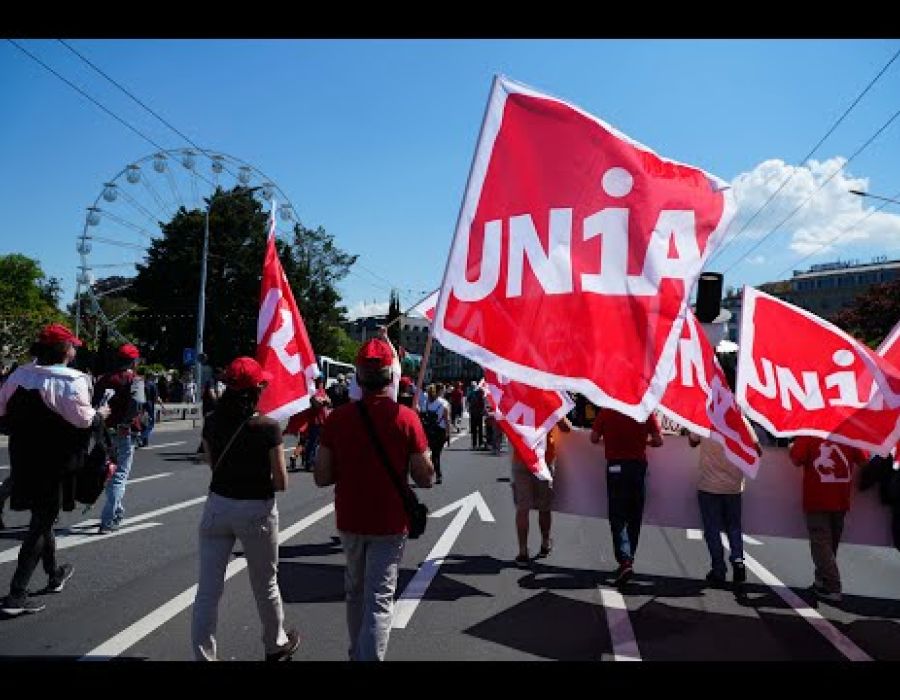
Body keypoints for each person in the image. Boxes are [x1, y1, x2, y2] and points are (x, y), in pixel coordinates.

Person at [314, 338, 434, 661]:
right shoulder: (406, 418)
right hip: (390, 521)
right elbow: (426, 477)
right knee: (379, 598)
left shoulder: (337, 419)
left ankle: (358, 652)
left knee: (355, 591)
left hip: (350, 518)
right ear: (391, 377)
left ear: (358, 377)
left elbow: (321, 476)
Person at [193, 356, 300, 661]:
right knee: (265, 583)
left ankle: (203, 656)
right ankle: (275, 645)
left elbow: (213, 464)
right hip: (256, 510)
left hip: (217, 506)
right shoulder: (267, 426)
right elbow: (281, 482)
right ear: (256, 390)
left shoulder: (212, 420)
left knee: (208, 590)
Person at [0, 324, 110, 616]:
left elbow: (2, 411)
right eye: (72, 345)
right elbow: (83, 420)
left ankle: (54, 573)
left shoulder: (18, 375)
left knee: (43, 516)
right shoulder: (72, 380)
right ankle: (16, 595)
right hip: (56, 463)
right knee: (41, 522)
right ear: (65, 350)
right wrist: (100, 414)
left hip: (23, 457)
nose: (75, 350)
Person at [789, 435, 868, 604]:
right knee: (830, 544)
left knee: (821, 544)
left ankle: (832, 585)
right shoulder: (849, 432)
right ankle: (822, 580)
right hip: (840, 497)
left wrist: (791, 446)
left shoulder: (810, 432)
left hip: (817, 497)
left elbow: (796, 458)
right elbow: (864, 459)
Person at [590, 408, 663, 586]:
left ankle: (625, 559)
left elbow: (594, 438)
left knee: (617, 515)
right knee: (634, 515)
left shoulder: (607, 410)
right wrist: (643, 440)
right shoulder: (646, 410)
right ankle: (628, 558)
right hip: (637, 467)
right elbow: (659, 440)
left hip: (615, 467)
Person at [688, 427, 761, 588]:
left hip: (708, 484)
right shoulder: (741, 421)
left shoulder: (705, 420)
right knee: (733, 527)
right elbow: (757, 449)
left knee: (712, 529)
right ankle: (738, 560)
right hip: (733, 485)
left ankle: (718, 569)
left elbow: (692, 442)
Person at [94, 343, 145, 535]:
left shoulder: (103, 379)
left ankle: (117, 511)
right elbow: (137, 402)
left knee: (110, 472)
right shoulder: (135, 380)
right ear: (133, 361)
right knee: (119, 475)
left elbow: (94, 403)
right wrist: (126, 421)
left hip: (104, 431)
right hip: (124, 431)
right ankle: (107, 520)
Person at [512, 418, 572, 567]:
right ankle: (545, 543)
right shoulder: (549, 405)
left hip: (521, 457)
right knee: (544, 507)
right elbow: (566, 428)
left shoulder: (516, 404)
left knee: (522, 508)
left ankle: (523, 550)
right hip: (543, 460)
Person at [423, 383, 451, 484]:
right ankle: (438, 475)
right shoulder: (444, 403)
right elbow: (447, 420)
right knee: (436, 454)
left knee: (432, 453)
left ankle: (431, 474)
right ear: (440, 391)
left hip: (430, 430)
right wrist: (448, 433)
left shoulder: (427, 402)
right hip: (440, 430)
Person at [303, 377, 332, 471]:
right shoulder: (312, 392)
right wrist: (323, 402)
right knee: (313, 442)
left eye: (322, 382)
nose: (321, 383)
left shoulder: (322, 391)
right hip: (315, 421)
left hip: (323, 420)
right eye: (319, 382)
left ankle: (314, 461)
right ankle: (309, 463)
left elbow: (329, 401)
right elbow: (316, 404)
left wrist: (323, 401)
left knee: (320, 443)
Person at [138, 373, 165, 448]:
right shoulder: (152, 385)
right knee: (150, 424)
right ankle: (141, 437)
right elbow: (156, 398)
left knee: (143, 424)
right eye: (155, 377)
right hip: (149, 405)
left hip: (141, 405)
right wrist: (162, 406)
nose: (156, 378)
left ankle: (144, 442)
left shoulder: (142, 384)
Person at [467, 382, 485, 450]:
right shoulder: (480, 393)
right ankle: (480, 444)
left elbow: (468, 401)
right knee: (480, 429)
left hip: (473, 413)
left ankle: (474, 444)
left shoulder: (471, 393)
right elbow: (483, 403)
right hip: (479, 413)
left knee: (474, 429)